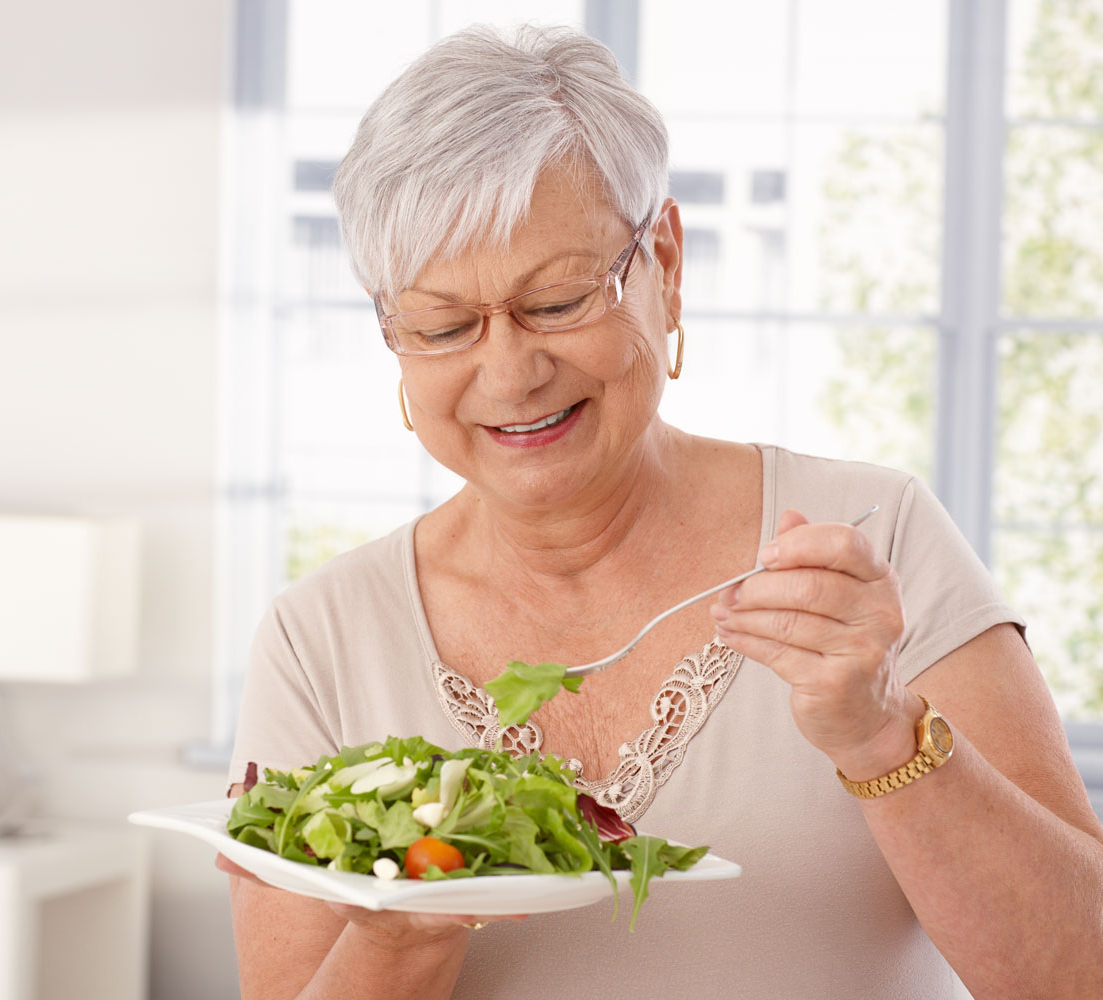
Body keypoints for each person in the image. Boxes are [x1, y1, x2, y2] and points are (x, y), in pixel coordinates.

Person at [222, 24, 1103, 1000]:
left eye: (557, 302)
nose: (509, 374)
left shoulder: (870, 540)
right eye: (443, 326)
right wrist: (400, 934)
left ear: (666, 263)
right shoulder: (319, 639)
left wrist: (880, 735)